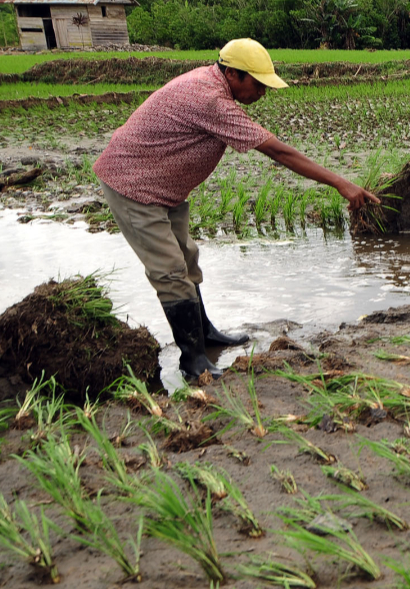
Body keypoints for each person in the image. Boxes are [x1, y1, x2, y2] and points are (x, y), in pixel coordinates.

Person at [93, 38, 379, 381]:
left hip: (163, 187)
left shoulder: (211, 84)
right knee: (170, 272)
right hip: (133, 186)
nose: (262, 93)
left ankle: (206, 333)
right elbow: (279, 152)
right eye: (257, 84)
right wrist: (340, 183)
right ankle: (193, 362)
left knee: (186, 257)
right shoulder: (210, 100)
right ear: (232, 73)